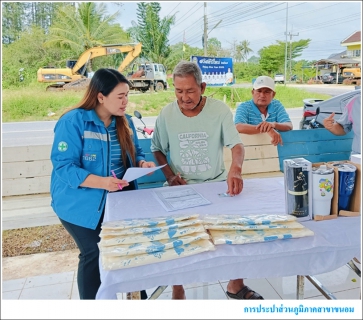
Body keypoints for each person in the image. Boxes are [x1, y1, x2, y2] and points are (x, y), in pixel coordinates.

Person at [150, 61, 263, 300]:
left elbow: (237, 145)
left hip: (215, 184)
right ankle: (178, 287)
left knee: (234, 231)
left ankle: (236, 284)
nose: (184, 97)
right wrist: (170, 176)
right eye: (178, 91)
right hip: (182, 187)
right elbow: (157, 148)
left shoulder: (219, 110)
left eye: (190, 91)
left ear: (202, 87)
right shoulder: (167, 114)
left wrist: (236, 169)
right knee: (179, 236)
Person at [50, 68, 156, 299]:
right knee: (93, 253)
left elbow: (135, 152)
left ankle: (137, 299)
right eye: (120, 96)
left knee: (131, 247)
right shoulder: (73, 122)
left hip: (118, 198)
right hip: (79, 201)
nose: (125, 101)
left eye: (127, 95)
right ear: (100, 96)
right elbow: (64, 166)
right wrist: (102, 183)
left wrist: (142, 163)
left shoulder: (125, 122)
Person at [234, 75, 293, 146]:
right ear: (253, 92)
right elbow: (238, 126)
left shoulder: (277, 105)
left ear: (273, 94)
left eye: (267, 92)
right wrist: (268, 129)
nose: (262, 95)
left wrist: (273, 124)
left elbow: (289, 125)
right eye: (259, 91)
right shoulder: (244, 107)